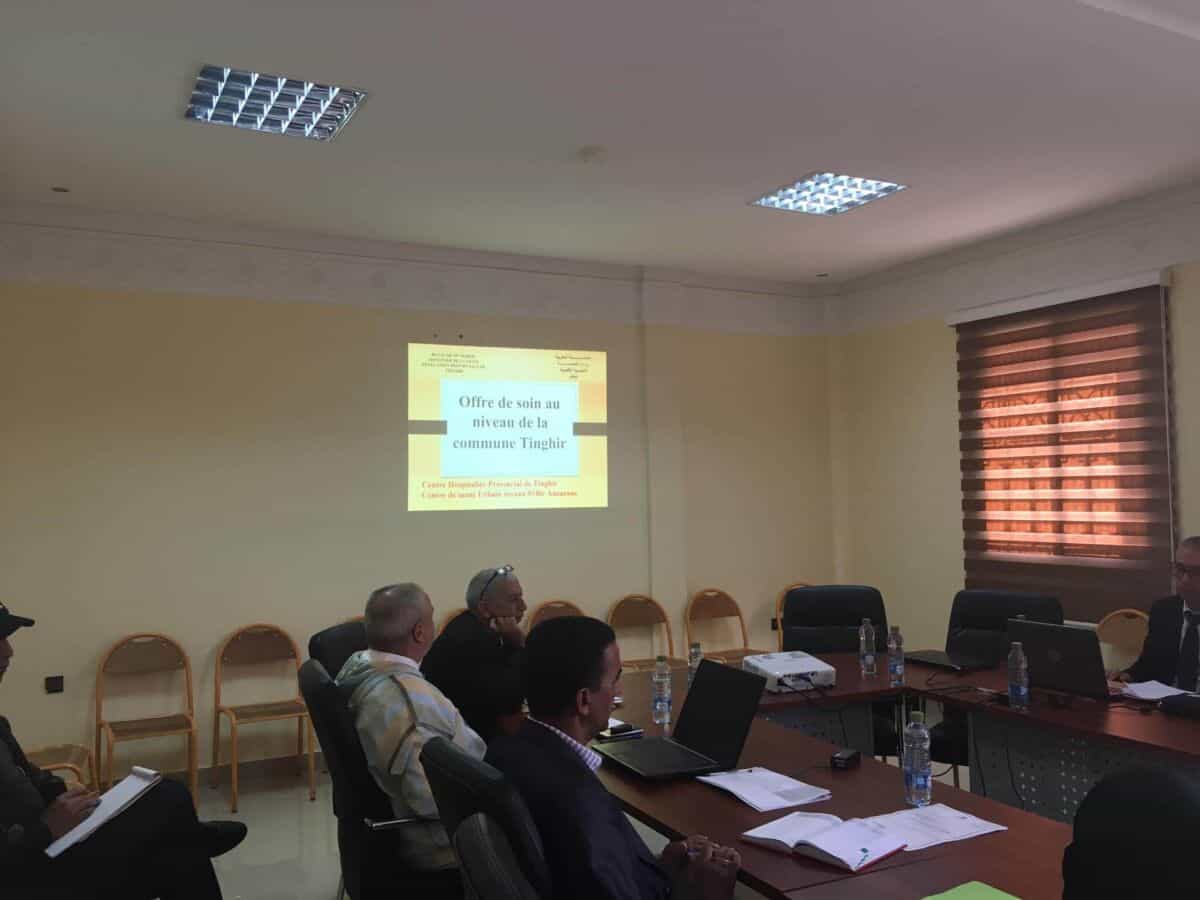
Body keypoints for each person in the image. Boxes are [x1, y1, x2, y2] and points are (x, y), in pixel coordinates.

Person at [0, 604, 245, 900]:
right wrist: (46, 830)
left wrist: (68, 795)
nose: (8, 651)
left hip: (52, 838)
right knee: (174, 835)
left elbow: (30, 776)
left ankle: (188, 836)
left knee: (166, 799)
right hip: (29, 869)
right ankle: (191, 835)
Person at [486, 615, 740, 900]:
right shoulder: (578, 802)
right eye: (615, 679)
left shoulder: (505, 751)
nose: (618, 691)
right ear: (584, 700)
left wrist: (661, 865)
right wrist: (702, 891)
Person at [337, 583, 485, 876]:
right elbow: (429, 797)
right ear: (420, 632)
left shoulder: (358, 665)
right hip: (442, 845)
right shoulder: (412, 706)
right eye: (431, 618)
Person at [421, 565, 526, 742]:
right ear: (484, 608)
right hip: (467, 745)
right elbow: (512, 704)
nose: (524, 606)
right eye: (514, 600)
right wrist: (518, 644)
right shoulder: (475, 641)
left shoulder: (465, 624)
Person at [1117, 536, 1200, 689]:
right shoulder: (1164, 610)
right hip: (1165, 700)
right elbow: (1147, 665)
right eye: (1180, 570)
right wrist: (1126, 676)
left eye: (1197, 572)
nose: (1185, 580)